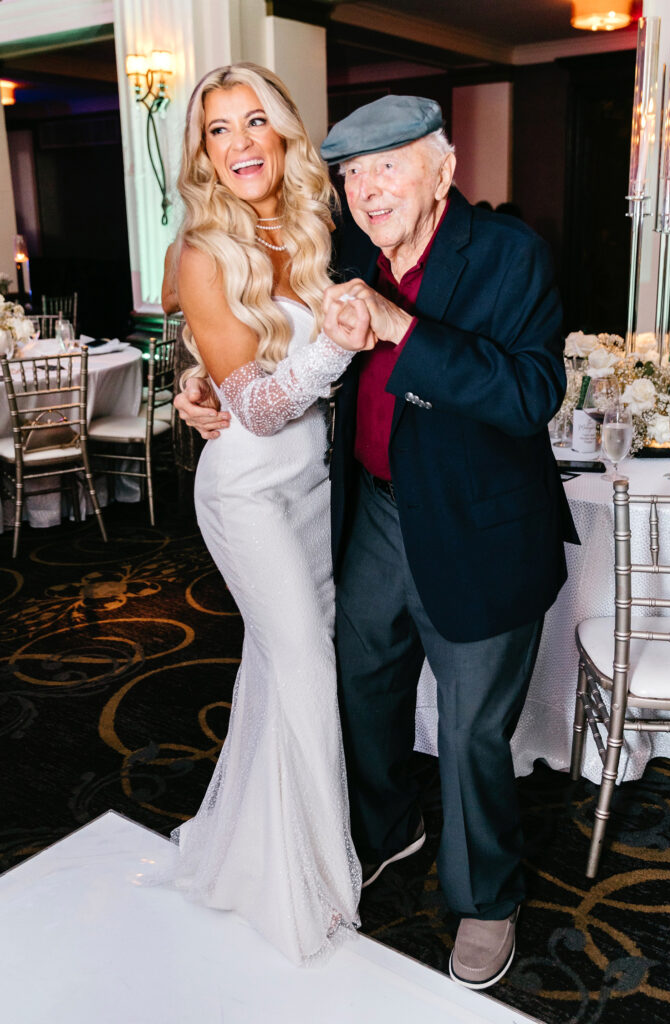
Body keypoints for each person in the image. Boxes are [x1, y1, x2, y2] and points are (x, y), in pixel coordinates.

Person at [176, 93, 577, 989]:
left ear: (443, 169)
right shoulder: (347, 252)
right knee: (363, 680)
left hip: (477, 527)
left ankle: (484, 899)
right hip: (372, 515)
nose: (366, 188)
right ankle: (388, 826)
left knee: (473, 731)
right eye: (353, 173)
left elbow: (528, 395)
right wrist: (197, 373)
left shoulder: (507, 253)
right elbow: (266, 321)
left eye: (389, 165)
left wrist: (404, 330)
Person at [163, 62, 372, 966]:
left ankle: (255, 851)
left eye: (255, 122)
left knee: (278, 670)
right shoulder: (203, 251)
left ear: (283, 132)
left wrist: (194, 374)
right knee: (305, 665)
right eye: (220, 130)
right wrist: (328, 344)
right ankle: (323, 881)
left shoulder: (319, 226)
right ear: (203, 153)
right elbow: (252, 406)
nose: (241, 142)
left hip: (315, 484)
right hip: (246, 488)